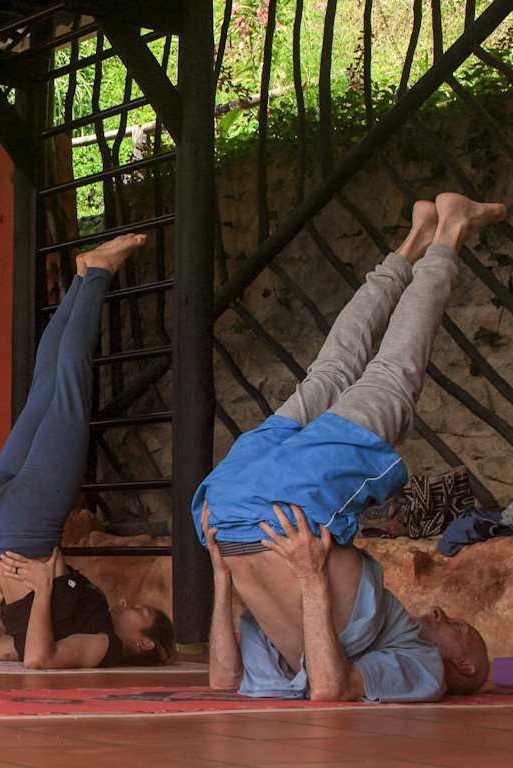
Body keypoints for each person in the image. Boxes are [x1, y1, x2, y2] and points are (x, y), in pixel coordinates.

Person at [197, 194, 502, 702]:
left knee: (392, 380)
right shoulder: (376, 631)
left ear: (464, 665)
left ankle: (447, 232)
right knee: (331, 372)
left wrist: (279, 578)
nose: (446, 616)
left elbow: (327, 689)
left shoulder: (423, 670)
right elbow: (225, 682)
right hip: (223, 504)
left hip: (278, 506)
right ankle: (415, 242)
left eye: (461, 631)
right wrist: (226, 565)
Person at [0, 233, 175, 669]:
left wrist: (34, 592)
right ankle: (81, 279)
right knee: (47, 386)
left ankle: (96, 275)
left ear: (143, 643)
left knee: (70, 385)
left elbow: (39, 661)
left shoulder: (101, 645)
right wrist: (3, 591)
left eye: (143, 613)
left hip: (26, 523)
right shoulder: (91, 620)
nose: (132, 603)